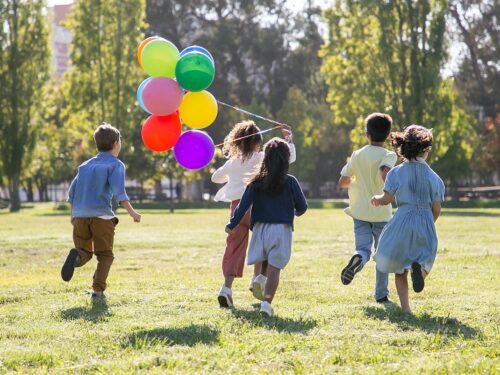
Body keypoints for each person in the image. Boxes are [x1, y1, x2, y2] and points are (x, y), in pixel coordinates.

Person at [212, 120, 296, 308]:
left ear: (237, 142)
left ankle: (226, 288)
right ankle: (258, 278)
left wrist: (231, 169)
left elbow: (215, 177)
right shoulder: (261, 158)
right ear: (257, 142)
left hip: (236, 209)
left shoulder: (233, 162)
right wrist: (289, 139)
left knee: (233, 248)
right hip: (257, 207)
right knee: (264, 243)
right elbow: (288, 158)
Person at [225, 138, 307, 317]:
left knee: (264, 259)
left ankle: (259, 278)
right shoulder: (291, 181)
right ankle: (266, 303)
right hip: (281, 230)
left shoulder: (255, 182)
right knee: (275, 269)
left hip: (260, 229)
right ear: (286, 159)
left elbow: (243, 206)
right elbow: (303, 206)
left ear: (265, 158)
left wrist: (232, 224)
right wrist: (295, 212)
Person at [61, 123, 141, 300]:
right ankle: (97, 292)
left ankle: (76, 257)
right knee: (104, 255)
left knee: (84, 251)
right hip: (102, 217)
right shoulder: (116, 165)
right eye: (120, 141)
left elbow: (72, 193)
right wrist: (133, 213)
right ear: (115, 143)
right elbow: (120, 193)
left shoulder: (84, 166)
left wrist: (73, 215)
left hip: (80, 216)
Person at [372, 125, 444, 313]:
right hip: (425, 220)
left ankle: (406, 309)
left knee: (399, 268)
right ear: (426, 149)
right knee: (426, 258)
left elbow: (387, 198)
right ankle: (419, 272)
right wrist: (429, 222)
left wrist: (377, 199)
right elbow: (436, 208)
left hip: (402, 219)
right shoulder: (434, 178)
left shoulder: (395, 172)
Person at [338, 113, 398, 303]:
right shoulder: (389, 154)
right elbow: (384, 172)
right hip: (381, 212)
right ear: (389, 135)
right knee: (382, 254)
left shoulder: (357, 154)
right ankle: (381, 294)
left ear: (367, 134)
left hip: (360, 212)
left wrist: (357, 182)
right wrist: (387, 190)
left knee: (363, 249)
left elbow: (343, 182)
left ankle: (357, 258)